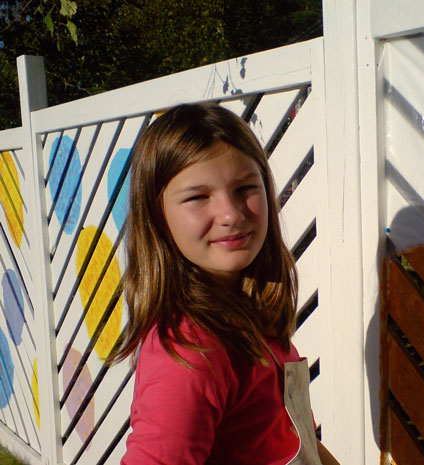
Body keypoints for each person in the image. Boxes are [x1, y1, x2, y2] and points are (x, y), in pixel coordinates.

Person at [107, 102, 340, 465]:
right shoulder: (189, 351)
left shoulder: (251, 313)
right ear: (157, 216)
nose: (231, 214)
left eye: (245, 187)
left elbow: (297, 441)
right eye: (198, 197)